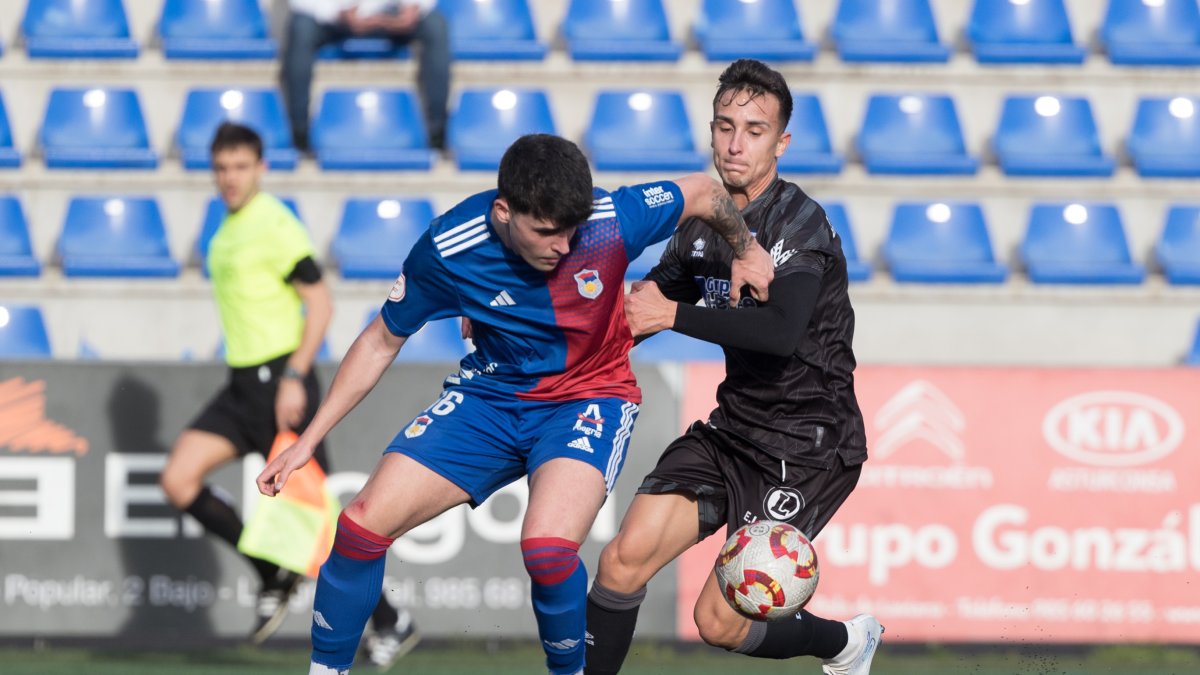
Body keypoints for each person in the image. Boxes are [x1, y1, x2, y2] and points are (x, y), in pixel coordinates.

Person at [255, 133, 774, 675]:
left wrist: (747, 250)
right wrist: (308, 442)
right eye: (547, 231)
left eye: (572, 231)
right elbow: (380, 341)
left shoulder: (609, 219)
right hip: (489, 398)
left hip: (588, 396)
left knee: (547, 552)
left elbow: (701, 192)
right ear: (504, 211)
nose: (563, 245)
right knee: (359, 527)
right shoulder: (448, 250)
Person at [583, 59, 883, 675]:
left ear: (782, 142)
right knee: (619, 563)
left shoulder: (801, 224)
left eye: (754, 129)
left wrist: (673, 317)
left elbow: (779, 334)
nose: (735, 143)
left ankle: (845, 644)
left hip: (807, 445)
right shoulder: (700, 226)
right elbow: (638, 310)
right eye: (724, 126)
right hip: (732, 431)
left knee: (718, 623)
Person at [159, 123, 417, 668]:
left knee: (321, 529)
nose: (230, 177)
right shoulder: (224, 229)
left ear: (260, 168)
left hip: (281, 382)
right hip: (240, 385)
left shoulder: (275, 223)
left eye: (240, 166)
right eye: (222, 167)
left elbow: (320, 306)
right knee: (179, 478)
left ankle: (391, 618)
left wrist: (295, 376)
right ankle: (272, 573)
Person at [281, 0, 451, 151]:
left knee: (435, 25)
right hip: (336, 17)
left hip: (392, 14)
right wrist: (338, 12)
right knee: (300, 27)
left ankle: (437, 134)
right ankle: (299, 135)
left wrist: (413, 7)